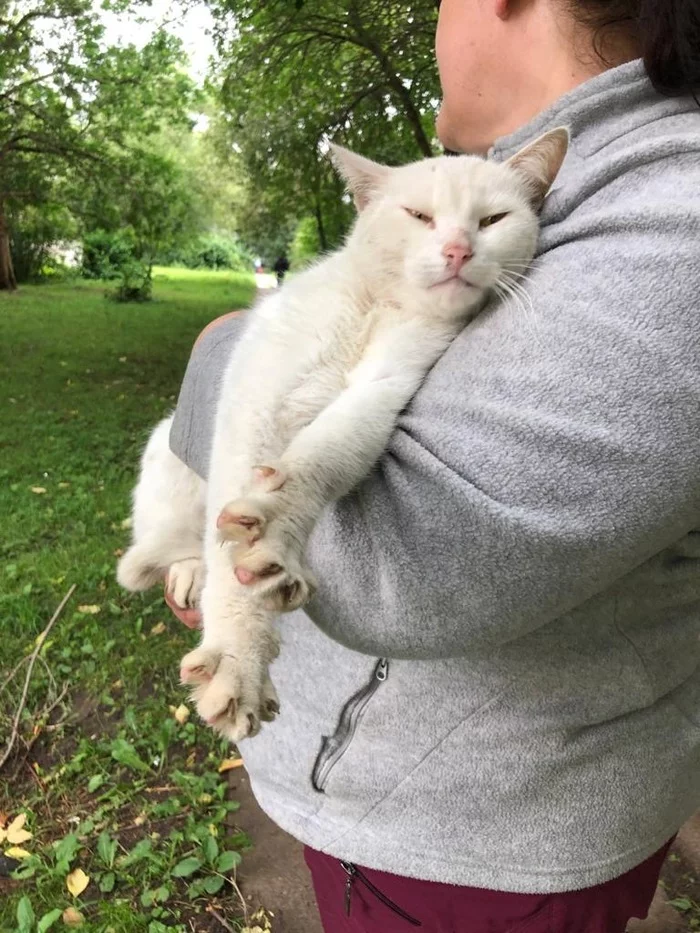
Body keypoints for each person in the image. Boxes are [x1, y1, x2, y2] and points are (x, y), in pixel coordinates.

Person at [164, 1, 700, 929]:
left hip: (488, 847)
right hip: (393, 804)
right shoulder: (582, 190)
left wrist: (219, 347)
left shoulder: (669, 218)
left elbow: (404, 566)